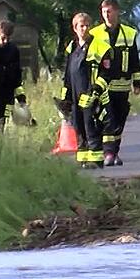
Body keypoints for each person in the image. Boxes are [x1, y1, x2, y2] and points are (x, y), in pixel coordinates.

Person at [89, 0, 140, 166]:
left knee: (119, 120)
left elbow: (135, 59)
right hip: (103, 85)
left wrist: (138, 82)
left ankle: (114, 152)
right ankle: (108, 152)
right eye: (104, 11)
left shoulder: (129, 33)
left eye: (109, 11)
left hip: (122, 84)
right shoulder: (95, 34)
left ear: (117, 12)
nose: (106, 15)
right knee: (107, 119)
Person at [59, 13, 114, 168]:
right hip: (75, 95)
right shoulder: (72, 47)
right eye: (81, 26)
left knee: (93, 126)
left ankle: (96, 159)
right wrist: (65, 98)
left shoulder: (101, 47)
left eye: (87, 26)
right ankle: (83, 158)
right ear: (75, 28)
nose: (84, 29)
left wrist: (95, 92)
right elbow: (68, 74)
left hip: (92, 94)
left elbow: (107, 73)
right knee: (78, 126)